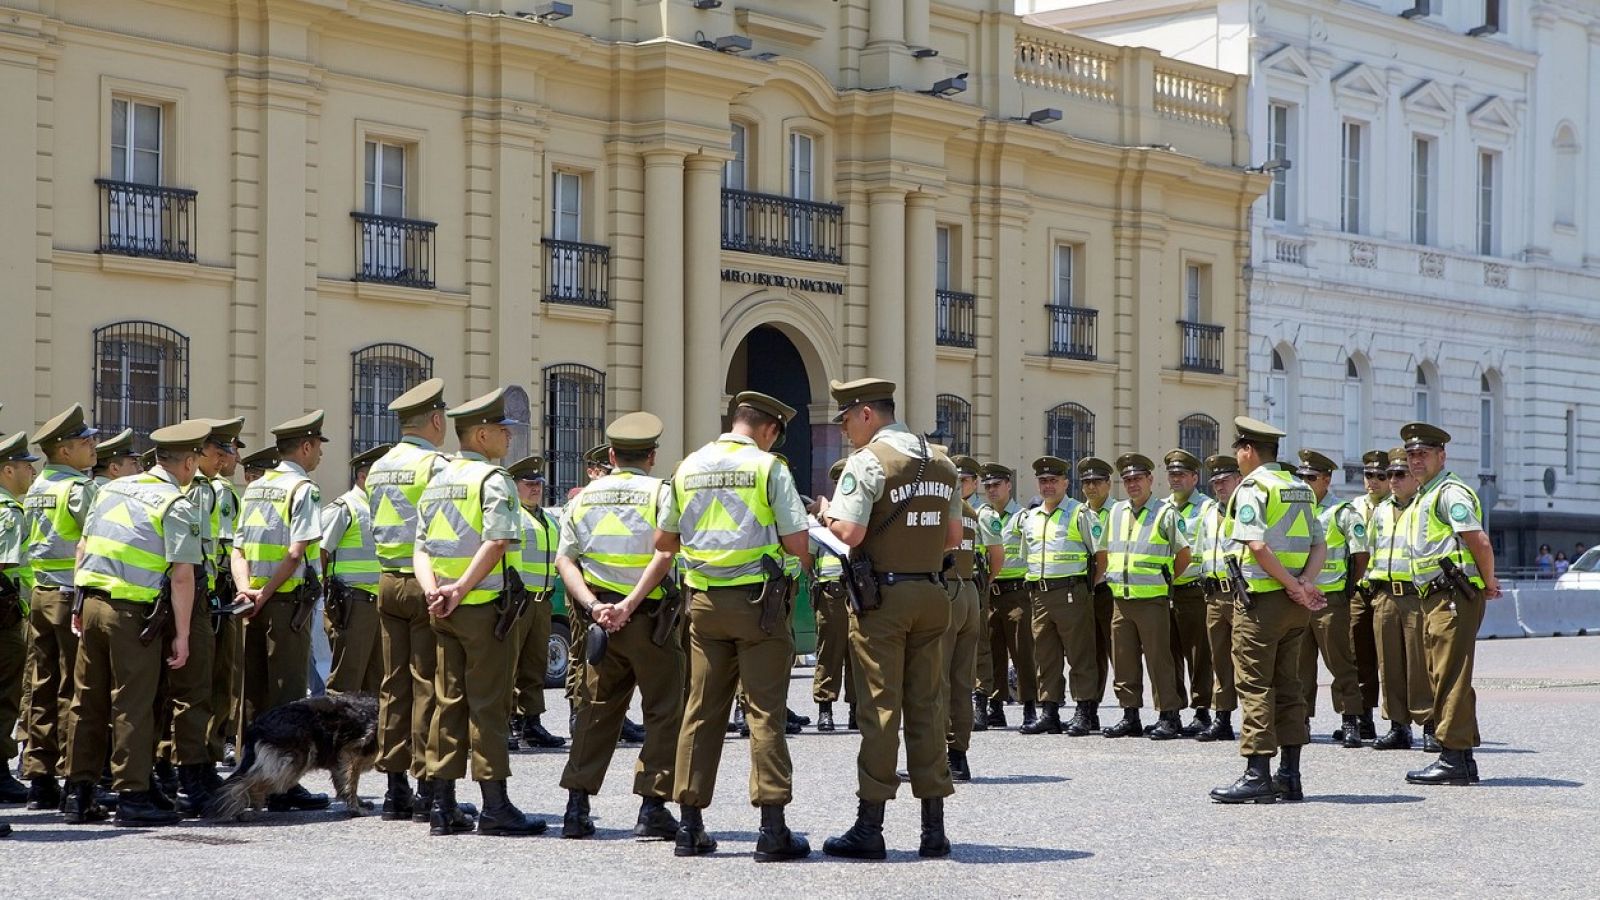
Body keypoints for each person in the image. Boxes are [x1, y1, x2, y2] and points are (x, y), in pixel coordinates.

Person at [657, 391, 810, 861]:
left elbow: (665, 541)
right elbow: (799, 544)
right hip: (758, 604)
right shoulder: (768, 469)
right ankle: (772, 828)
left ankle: (689, 825)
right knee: (764, 711)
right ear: (769, 429)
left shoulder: (687, 467)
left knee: (701, 709)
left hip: (702, 603)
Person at [815, 378, 960, 860]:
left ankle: (870, 826)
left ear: (865, 414)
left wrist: (826, 518)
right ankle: (933, 829)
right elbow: (952, 539)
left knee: (879, 711)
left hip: (884, 600)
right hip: (931, 593)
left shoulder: (869, 461)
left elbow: (851, 532)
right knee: (928, 707)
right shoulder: (940, 461)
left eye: (846, 422)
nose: (845, 433)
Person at [414, 388, 544, 837]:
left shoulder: (439, 480)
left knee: (447, 703)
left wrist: (435, 591)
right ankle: (495, 805)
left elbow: (422, 546)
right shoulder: (493, 481)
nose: (509, 438)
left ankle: (442, 805)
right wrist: (462, 588)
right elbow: (498, 541)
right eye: (503, 431)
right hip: (484, 606)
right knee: (489, 704)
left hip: (443, 608)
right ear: (482, 434)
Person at [65, 420, 207, 826]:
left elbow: (83, 547)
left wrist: (79, 603)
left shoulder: (111, 488)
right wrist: (181, 634)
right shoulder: (175, 503)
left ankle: (80, 793)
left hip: (91, 602)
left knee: (87, 702)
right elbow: (182, 576)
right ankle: (132, 795)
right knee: (132, 703)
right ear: (190, 461)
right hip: (131, 613)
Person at [556, 413, 685, 840]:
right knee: (664, 709)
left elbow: (564, 560)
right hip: (649, 621)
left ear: (611, 456)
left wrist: (595, 606)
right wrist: (629, 604)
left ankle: (577, 807)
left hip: (599, 622)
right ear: (651, 456)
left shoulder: (583, 498)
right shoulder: (660, 494)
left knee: (596, 710)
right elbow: (664, 556)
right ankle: (652, 808)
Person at [1210, 417, 1325, 804]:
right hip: (1295, 606)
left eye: (1238, 450)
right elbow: (1318, 545)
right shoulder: (1300, 487)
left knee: (1255, 685)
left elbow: (1256, 546)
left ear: (1248, 450)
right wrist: (1304, 585)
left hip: (1263, 601)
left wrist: (1292, 587)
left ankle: (1257, 773)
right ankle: (1289, 776)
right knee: (1290, 686)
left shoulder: (1254, 488)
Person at [232, 410, 331, 813]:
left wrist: (246, 591)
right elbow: (296, 551)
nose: (320, 456)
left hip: (249, 602)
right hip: (283, 604)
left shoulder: (256, 488)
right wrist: (268, 593)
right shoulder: (302, 489)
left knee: (251, 695)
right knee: (287, 695)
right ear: (306, 447)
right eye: (319, 448)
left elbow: (237, 548)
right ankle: (283, 786)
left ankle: (249, 776)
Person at [366, 378, 452, 822]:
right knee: (427, 685)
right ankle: (426, 787)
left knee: (392, 685)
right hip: (425, 581)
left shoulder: (379, 466)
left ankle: (393, 788)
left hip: (386, 580)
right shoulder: (436, 466)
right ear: (436, 420)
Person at [1402, 423, 1500, 786]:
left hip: (1453, 594)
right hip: (1438, 596)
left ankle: (1452, 756)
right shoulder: (1425, 494)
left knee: (1450, 676)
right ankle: (1464, 755)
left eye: (1423, 454)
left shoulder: (1449, 493)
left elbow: (1480, 541)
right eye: (1411, 455)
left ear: (1441, 456)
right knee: (1445, 673)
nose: (1415, 461)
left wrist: (1489, 584)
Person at [22, 403, 98, 811]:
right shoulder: (77, 490)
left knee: (42, 684)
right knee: (75, 686)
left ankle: (39, 776)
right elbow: (96, 539)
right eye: (85, 441)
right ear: (64, 451)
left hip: (40, 592)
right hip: (71, 595)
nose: (93, 446)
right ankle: (74, 775)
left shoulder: (38, 488)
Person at [1101, 453, 1189, 740]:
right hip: (1121, 600)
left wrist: (1165, 579)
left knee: (1158, 659)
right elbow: (1106, 551)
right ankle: (1130, 714)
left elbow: (1184, 554)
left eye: (1137, 478)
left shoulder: (1165, 513)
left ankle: (1169, 715)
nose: (1132, 484)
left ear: (1150, 479)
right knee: (1124, 659)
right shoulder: (1116, 512)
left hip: (1152, 599)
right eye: (1127, 480)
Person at [1015, 456, 1101, 737]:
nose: (1048, 486)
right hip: (1039, 594)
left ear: (1066, 482)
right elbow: (1028, 557)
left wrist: (1086, 588)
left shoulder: (1079, 514)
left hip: (1070, 592)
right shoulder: (1031, 518)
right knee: (1045, 655)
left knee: (1079, 653)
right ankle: (1049, 710)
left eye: (1053, 480)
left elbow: (1101, 556)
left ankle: (1084, 711)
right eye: (1043, 481)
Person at [1295, 450, 1368, 749]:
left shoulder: (1342, 512)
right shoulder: (1295, 510)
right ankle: (1300, 721)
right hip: (1298, 600)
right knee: (1299, 666)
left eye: (1311, 478)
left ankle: (1350, 719)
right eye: (1301, 478)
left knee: (1340, 662)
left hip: (1329, 599)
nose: (1305, 482)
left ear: (1326, 479)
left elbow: (1360, 554)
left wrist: (1348, 586)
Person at [1365, 449, 1432, 751]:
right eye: (1389, 474)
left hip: (1415, 595)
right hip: (1385, 594)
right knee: (1388, 664)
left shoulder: (1424, 506)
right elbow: (1370, 548)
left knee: (1420, 664)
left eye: (1399, 474)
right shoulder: (1380, 510)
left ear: (1414, 477)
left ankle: (1429, 723)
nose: (1391, 480)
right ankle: (1398, 725)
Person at [504, 456, 566, 751]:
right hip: (517, 599)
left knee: (534, 664)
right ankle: (505, 722)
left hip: (542, 600)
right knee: (508, 663)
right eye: (528, 484)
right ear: (514, 486)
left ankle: (530, 721)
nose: (535, 488)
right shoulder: (511, 516)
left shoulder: (549, 520)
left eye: (538, 484)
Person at [320, 444, 390, 694]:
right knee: (346, 682)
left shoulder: (381, 508)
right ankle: (337, 733)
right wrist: (329, 598)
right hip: (352, 604)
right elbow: (321, 552)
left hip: (377, 604)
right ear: (363, 477)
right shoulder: (344, 508)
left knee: (377, 681)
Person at [975, 463, 1035, 730]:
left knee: (1022, 652)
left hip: (1015, 592)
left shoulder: (1022, 517)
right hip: (989, 591)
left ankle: (1030, 707)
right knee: (992, 650)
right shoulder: (980, 516)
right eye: (987, 486)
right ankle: (996, 706)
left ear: (1009, 486)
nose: (991, 490)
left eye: (996, 485)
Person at [940, 454, 990, 777]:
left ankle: (934, 758)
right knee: (962, 680)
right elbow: (992, 557)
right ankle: (959, 756)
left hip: (946, 591)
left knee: (936, 678)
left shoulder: (942, 507)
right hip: (970, 589)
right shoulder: (971, 511)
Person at [1161, 449, 1215, 736]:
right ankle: (1172, 710)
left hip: (1194, 590)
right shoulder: (1162, 507)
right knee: (1168, 655)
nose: (1176, 479)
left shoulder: (1207, 508)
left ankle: (1202, 710)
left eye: (1182, 474)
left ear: (1195, 478)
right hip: (1164, 591)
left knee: (1198, 655)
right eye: (1172, 474)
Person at [1340, 449, 1390, 743]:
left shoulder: (1399, 505)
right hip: (1359, 589)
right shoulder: (1354, 506)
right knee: (1358, 656)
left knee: (1391, 657)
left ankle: (1399, 721)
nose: (1373, 481)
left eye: (1380, 476)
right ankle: (1363, 717)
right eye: (1368, 475)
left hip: (1385, 588)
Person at [0, 431, 39, 805]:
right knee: (5, 695)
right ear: (8, 469)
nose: (31, 472)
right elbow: (7, 565)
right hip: (5, 615)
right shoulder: (8, 510)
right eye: (26, 466)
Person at [1193, 454, 1241, 743]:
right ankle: (1222, 717)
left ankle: (1256, 718)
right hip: (1213, 593)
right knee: (1219, 659)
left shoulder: (1246, 509)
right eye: (1215, 482)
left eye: (1225, 480)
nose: (1220, 487)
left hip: (1239, 594)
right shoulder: (1209, 513)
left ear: (1238, 480)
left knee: (1247, 659)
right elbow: (1200, 550)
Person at [208, 422, 246, 767]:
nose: (236, 457)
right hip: (220, 588)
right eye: (232, 449)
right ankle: (217, 741)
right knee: (222, 672)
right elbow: (224, 545)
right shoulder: (220, 492)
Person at [810, 459, 856, 732]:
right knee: (829, 651)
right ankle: (825, 708)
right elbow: (807, 557)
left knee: (858, 654)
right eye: (839, 483)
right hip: (832, 591)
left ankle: (856, 708)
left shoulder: (864, 510)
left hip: (858, 591)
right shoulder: (822, 517)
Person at [1077, 457, 1116, 712]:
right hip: (1086, 589)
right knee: (1090, 651)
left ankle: (1129, 708)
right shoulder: (1079, 513)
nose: (1091, 487)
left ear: (1108, 484)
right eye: (1086, 482)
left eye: (1097, 482)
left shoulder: (1118, 512)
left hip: (1109, 590)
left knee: (1116, 650)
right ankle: (1090, 706)